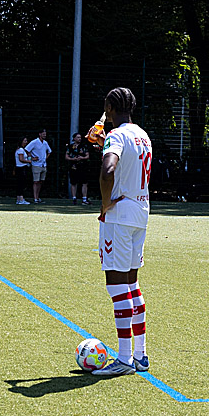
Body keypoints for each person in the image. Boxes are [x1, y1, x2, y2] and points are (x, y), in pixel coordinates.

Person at [91, 87, 153, 377]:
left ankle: (125, 359)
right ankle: (140, 354)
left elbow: (108, 170)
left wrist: (105, 204)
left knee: (116, 286)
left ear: (110, 108)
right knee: (131, 284)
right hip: (141, 211)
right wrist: (105, 142)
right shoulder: (143, 135)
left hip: (119, 214)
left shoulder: (116, 136)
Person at [24, 128, 52, 204]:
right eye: (43, 134)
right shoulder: (34, 142)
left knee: (41, 181)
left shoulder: (45, 143)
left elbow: (49, 151)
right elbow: (27, 150)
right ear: (39, 134)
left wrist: (45, 158)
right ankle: (35, 198)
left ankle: (38, 197)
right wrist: (32, 158)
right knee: (36, 181)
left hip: (43, 165)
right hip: (36, 165)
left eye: (45, 134)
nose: (44, 135)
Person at [65, 132, 91, 205]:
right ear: (74, 138)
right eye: (78, 137)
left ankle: (84, 199)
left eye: (80, 137)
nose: (79, 139)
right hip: (73, 167)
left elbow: (87, 156)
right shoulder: (70, 147)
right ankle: (74, 198)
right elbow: (66, 157)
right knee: (73, 183)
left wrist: (82, 158)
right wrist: (72, 159)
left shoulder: (84, 146)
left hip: (83, 167)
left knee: (84, 183)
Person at [13, 137, 32, 205]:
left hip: (19, 168)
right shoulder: (21, 150)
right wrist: (28, 161)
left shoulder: (20, 149)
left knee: (19, 184)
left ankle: (19, 199)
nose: (26, 142)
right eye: (25, 140)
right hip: (21, 168)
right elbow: (21, 159)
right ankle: (21, 199)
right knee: (21, 184)